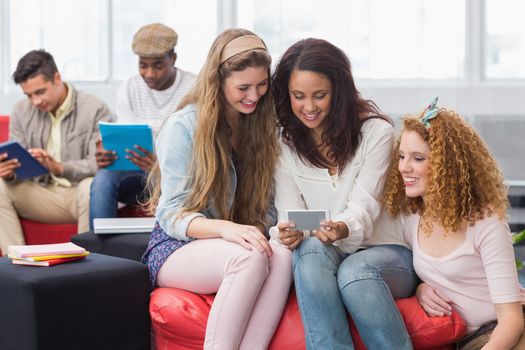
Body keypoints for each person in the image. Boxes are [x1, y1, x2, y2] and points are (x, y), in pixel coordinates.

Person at [141, 28, 292, 350]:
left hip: (236, 239)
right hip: (176, 246)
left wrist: (267, 230)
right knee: (249, 259)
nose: (254, 95)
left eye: (262, 84)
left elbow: (267, 207)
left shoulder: (261, 125)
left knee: (280, 255)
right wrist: (227, 229)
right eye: (243, 87)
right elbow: (171, 215)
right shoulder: (184, 126)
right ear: (218, 81)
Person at [270, 38, 418, 349]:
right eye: (299, 96)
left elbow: (365, 205)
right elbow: (289, 212)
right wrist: (288, 233)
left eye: (320, 96)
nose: (308, 108)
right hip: (326, 251)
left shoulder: (376, 133)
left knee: (355, 270)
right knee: (308, 252)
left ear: (339, 92)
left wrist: (342, 228)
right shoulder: (283, 144)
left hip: (387, 252)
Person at [382, 98, 525, 349]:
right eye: (402, 156)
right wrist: (420, 288)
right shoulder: (410, 218)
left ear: (446, 165)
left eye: (417, 158)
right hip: (453, 337)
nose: (403, 167)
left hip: (499, 334)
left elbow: (511, 320)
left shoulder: (485, 222)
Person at [0, 49, 113, 254]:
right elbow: (18, 163)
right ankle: (14, 266)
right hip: (41, 195)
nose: (35, 101)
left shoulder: (95, 108)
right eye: (29, 95)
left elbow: (98, 164)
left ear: (57, 78)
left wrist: (59, 167)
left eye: (40, 92)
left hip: (78, 194)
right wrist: (9, 172)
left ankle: (85, 272)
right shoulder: (20, 111)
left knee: (91, 186)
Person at [89, 23, 196, 228]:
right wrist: (110, 155)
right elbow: (125, 139)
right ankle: (101, 255)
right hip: (139, 175)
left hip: (180, 177)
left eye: (157, 65)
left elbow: (200, 150)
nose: (149, 74)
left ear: (173, 59)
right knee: (103, 179)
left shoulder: (193, 89)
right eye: (143, 65)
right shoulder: (129, 88)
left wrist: (160, 167)